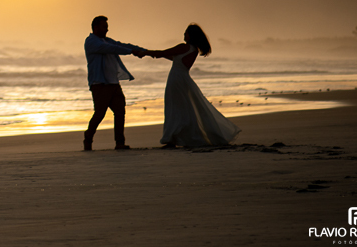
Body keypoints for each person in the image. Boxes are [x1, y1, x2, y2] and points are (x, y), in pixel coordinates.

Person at [145, 23, 240, 148]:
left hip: (176, 79)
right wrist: (152, 54)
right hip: (182, 79)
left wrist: (145, 52)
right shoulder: (193, 49)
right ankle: (176, 137)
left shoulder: (184, 47)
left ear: (191, 36)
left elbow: (163, 53)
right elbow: (173, 58)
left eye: (186, 33)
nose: (184, 34)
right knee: (182, 108)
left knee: (174, 108)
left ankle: (172, 138)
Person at [83, 15, 148, 151]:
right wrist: (132, 51)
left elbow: (121, 45)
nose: (107, 29)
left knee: (120, 111)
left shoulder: (107, 40)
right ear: (96, 27)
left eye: (107, 27)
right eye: (104, 27)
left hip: (113, 82)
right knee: (100, 113)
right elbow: (113, 49)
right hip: (100, 84)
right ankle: (88, 137)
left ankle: (120, 142)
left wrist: (142, 50)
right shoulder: (91, 42)